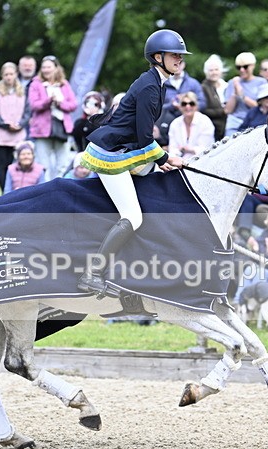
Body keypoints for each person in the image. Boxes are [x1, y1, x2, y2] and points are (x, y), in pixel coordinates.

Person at [78, 29, 187, 295]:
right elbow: (145, 137)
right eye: (174, 55)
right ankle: (92, 275)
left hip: (123, 149)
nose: (180, 59)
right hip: (110, 154)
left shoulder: (157, 82)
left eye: (181, 55)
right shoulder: (150, 86)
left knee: (152, 176)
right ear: (158, 57)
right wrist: (165, 157)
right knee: (133, 216)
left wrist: (159, 161)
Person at [28, 55, 78, 182]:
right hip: (42, 130)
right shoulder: (35, 84)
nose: (46, 70)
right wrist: (48, 101)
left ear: (56, 68)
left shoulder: (64, 84)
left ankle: (60, 188)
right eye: (44, 67)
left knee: (62, 164)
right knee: (43, 165)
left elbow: (73, 105)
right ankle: (45, 189)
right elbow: (34, 105)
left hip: (62, 128)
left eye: (49, 67)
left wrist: (60, 103)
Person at [0, 62, 27, 191]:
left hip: (19, 135)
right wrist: (5, 124)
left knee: (18, 165)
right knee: (2, 166)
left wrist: (20, 124)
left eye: (11, 74)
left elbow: (28, 112)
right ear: (2, 76)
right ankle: (5, 192)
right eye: (6, 74)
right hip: (1, 136)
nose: (9, 77)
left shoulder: (23, 91)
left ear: (16, 74)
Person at [223, 52, 267, 136]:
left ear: (253, 66)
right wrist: (235, 91)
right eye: (238, 67)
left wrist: (242, 96)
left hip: (254, 123)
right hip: (235, 123)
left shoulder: (261, 82)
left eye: (245, 67)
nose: (242, 70)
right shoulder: (232, 83)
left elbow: (261, 107)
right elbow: (227, 110)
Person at [167, 91, 215, 160]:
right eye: (184, 104)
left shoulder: (205, 121)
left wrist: (186, 149)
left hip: (204, 160)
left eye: (191, 104)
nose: (187, 106)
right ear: (180, 106)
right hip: (180, 161)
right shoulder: (175, 123)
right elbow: (173, 149)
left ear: (196, 106)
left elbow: (205, 149)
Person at [200, 54, 228, 140]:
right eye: (211, 70)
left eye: (216, 69)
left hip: (228, 124)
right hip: (213, 126)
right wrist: (223, 111)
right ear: (206, 72)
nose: (214, 72)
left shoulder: (226, 85)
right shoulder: (203, 88)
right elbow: (203, 110)